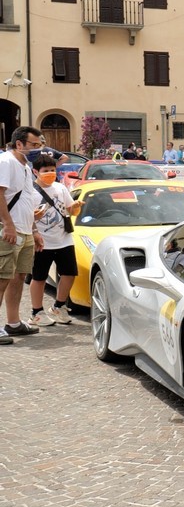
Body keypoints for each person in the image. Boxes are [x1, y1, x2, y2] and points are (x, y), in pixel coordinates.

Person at [0, 126, 46, 344]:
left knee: (18, 277)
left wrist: (35, 231)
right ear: (19, 144)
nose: (38, 149)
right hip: (9, 230)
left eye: (39, 145)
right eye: (34, 145)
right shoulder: (6, 162)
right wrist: (7, 225)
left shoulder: (26, 166)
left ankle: (13, 322)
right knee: (2, 278)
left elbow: (27, 200)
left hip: (25, 230)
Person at [28, 155, 79, 326]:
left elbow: (69, 210)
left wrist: (76, 207)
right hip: (42, 241)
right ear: (36, 172)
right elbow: (26, 216)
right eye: (45, 171)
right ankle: (36, 312)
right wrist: (34, 222)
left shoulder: (60, 188)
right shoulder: (29, 191)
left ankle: (59, 306)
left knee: (69, 273)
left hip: (64, 239)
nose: (50, 173)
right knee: (39, 277)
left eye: (52, 170)